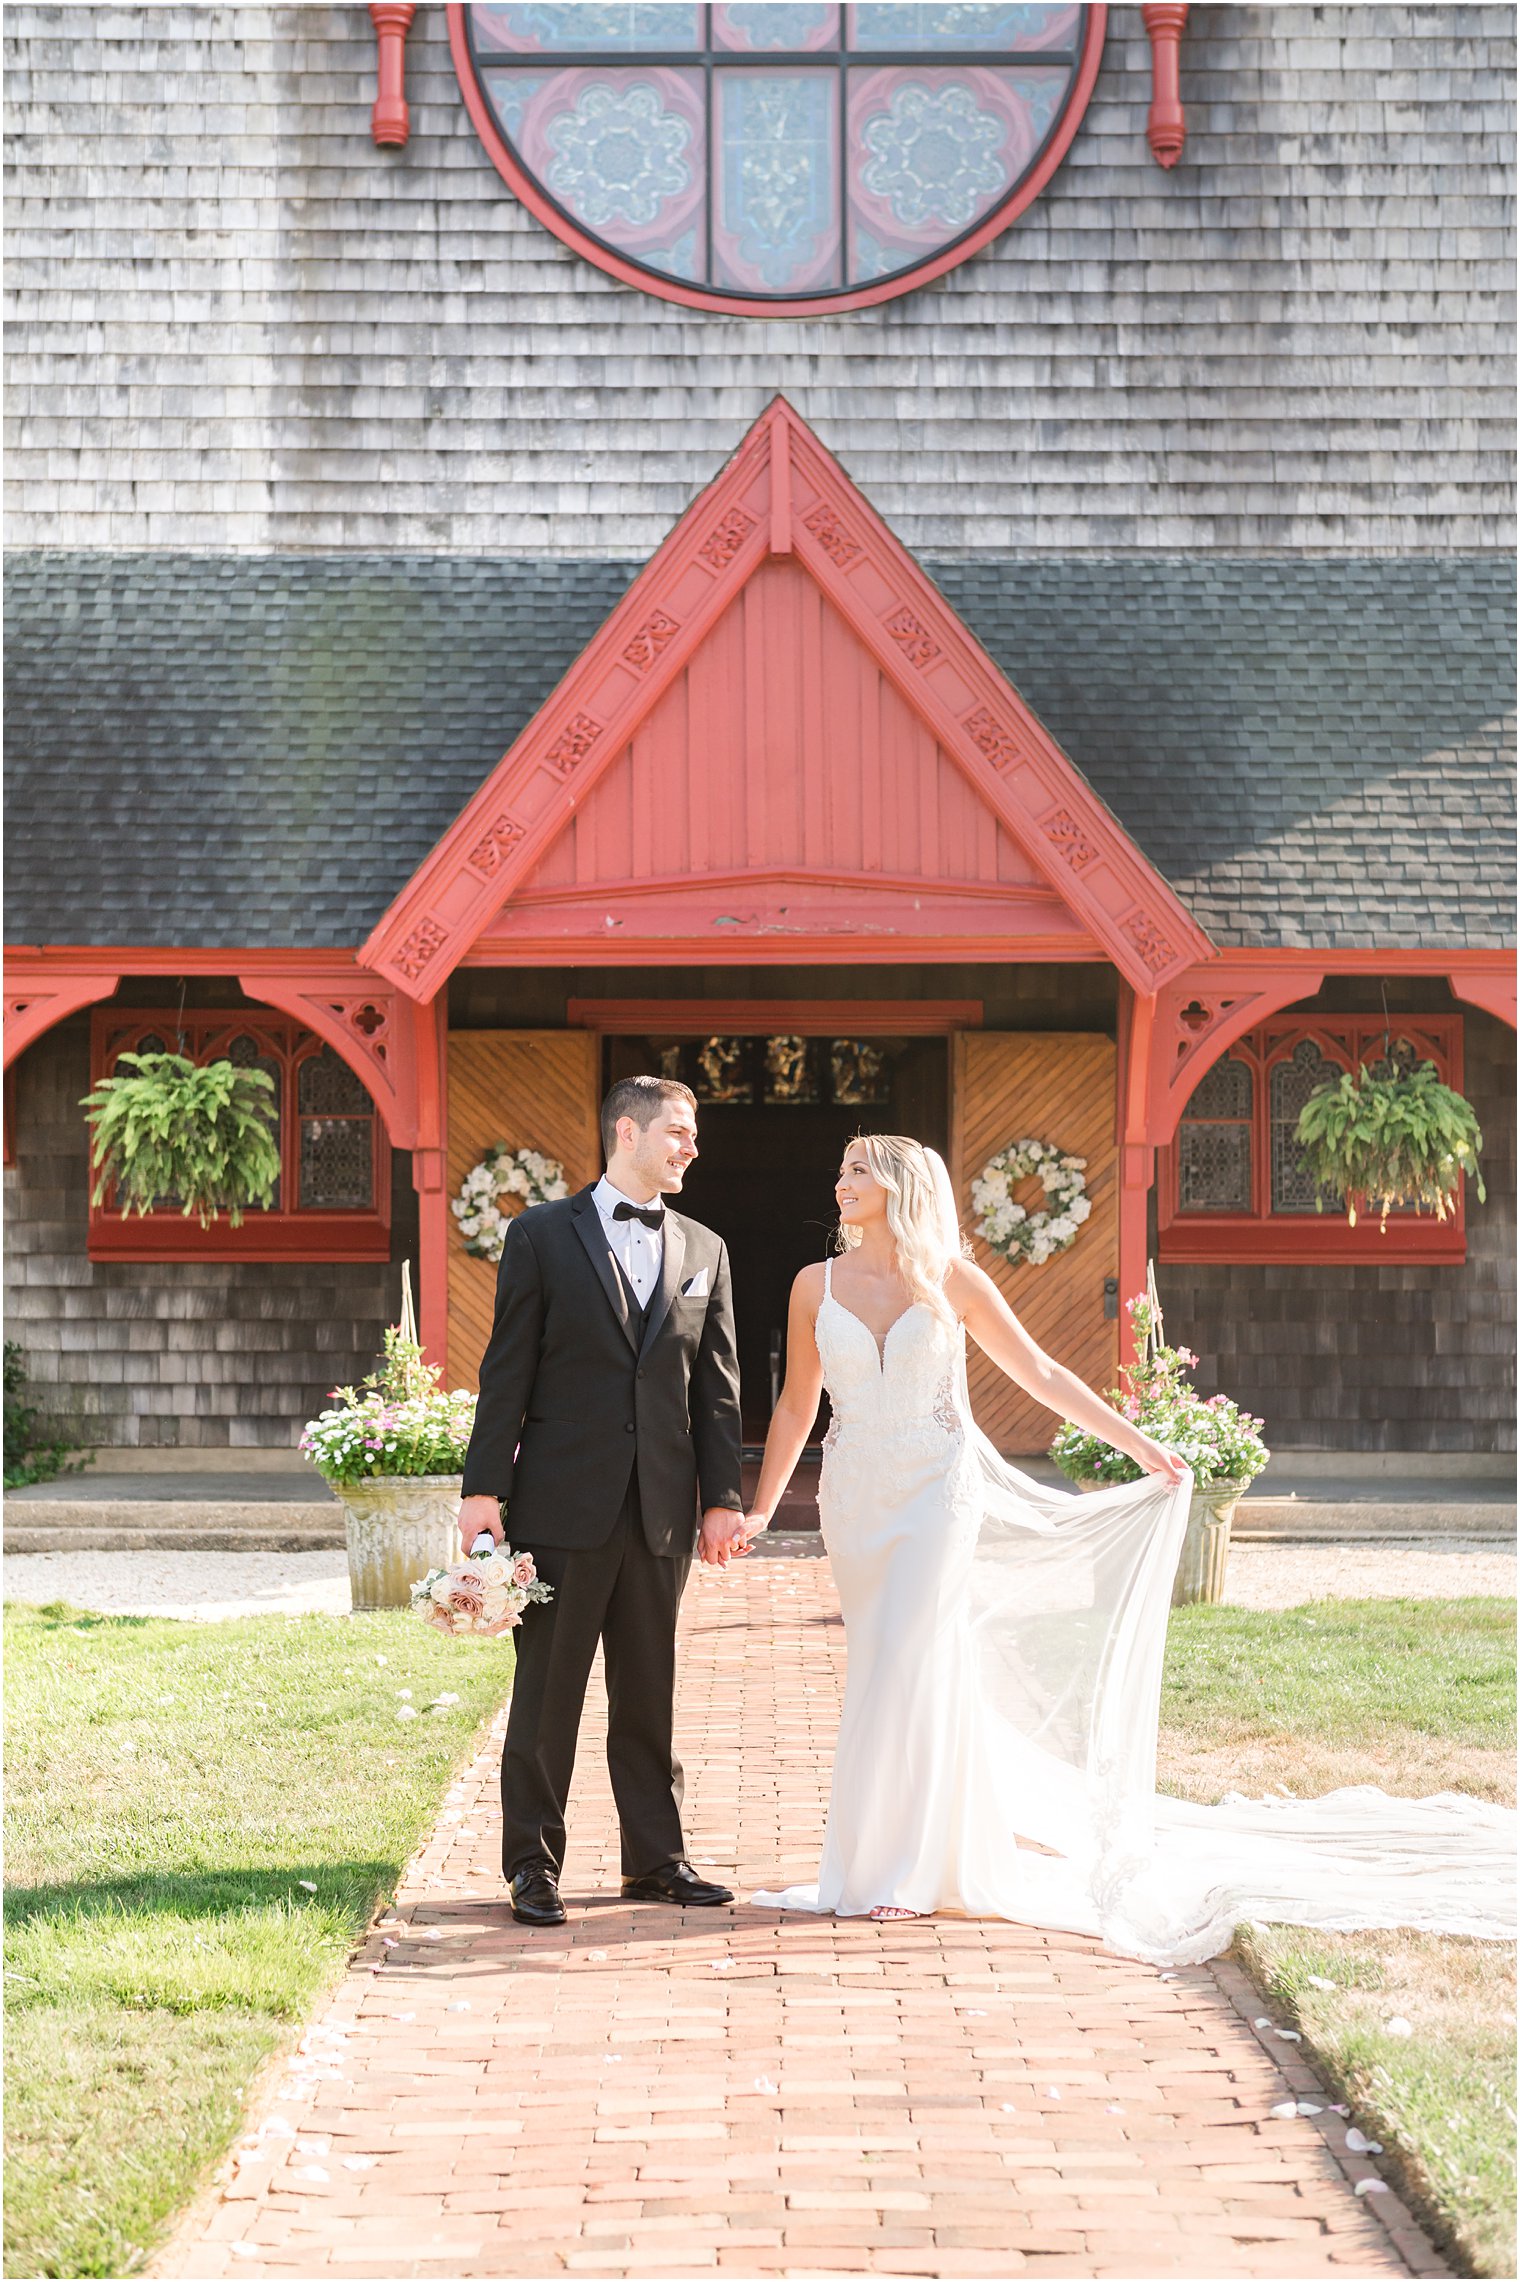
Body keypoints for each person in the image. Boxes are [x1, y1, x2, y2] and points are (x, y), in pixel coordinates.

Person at [747, 1135, 1514, 1962]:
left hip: (938, 1493)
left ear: (902, 1186)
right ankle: (905, 1860)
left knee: (910, 1655)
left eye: (859, 1169)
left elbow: (1041, 1373)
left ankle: (904, 1874)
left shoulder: (955, 1282)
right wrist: (760, 1511)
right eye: (843, 1168)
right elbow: (796, 1405)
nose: (841, 1181)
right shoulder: (811, 1285)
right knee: (886, 1663)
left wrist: (1144, 1446)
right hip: (857, 1496)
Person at [456, 1075, 749, 1928]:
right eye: (679, 1133)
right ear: (628, 1131)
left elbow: (718, 1392)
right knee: (548, 1695)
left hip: (659, 1509)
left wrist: (721, 1498)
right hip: (561, 1504)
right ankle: (531, 1869)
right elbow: (505, 1370)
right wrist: (483, 1489)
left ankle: (656, 1861)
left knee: (648, 1691)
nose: (691, 1148)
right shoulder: (542, 1236)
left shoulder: (707, 1249)